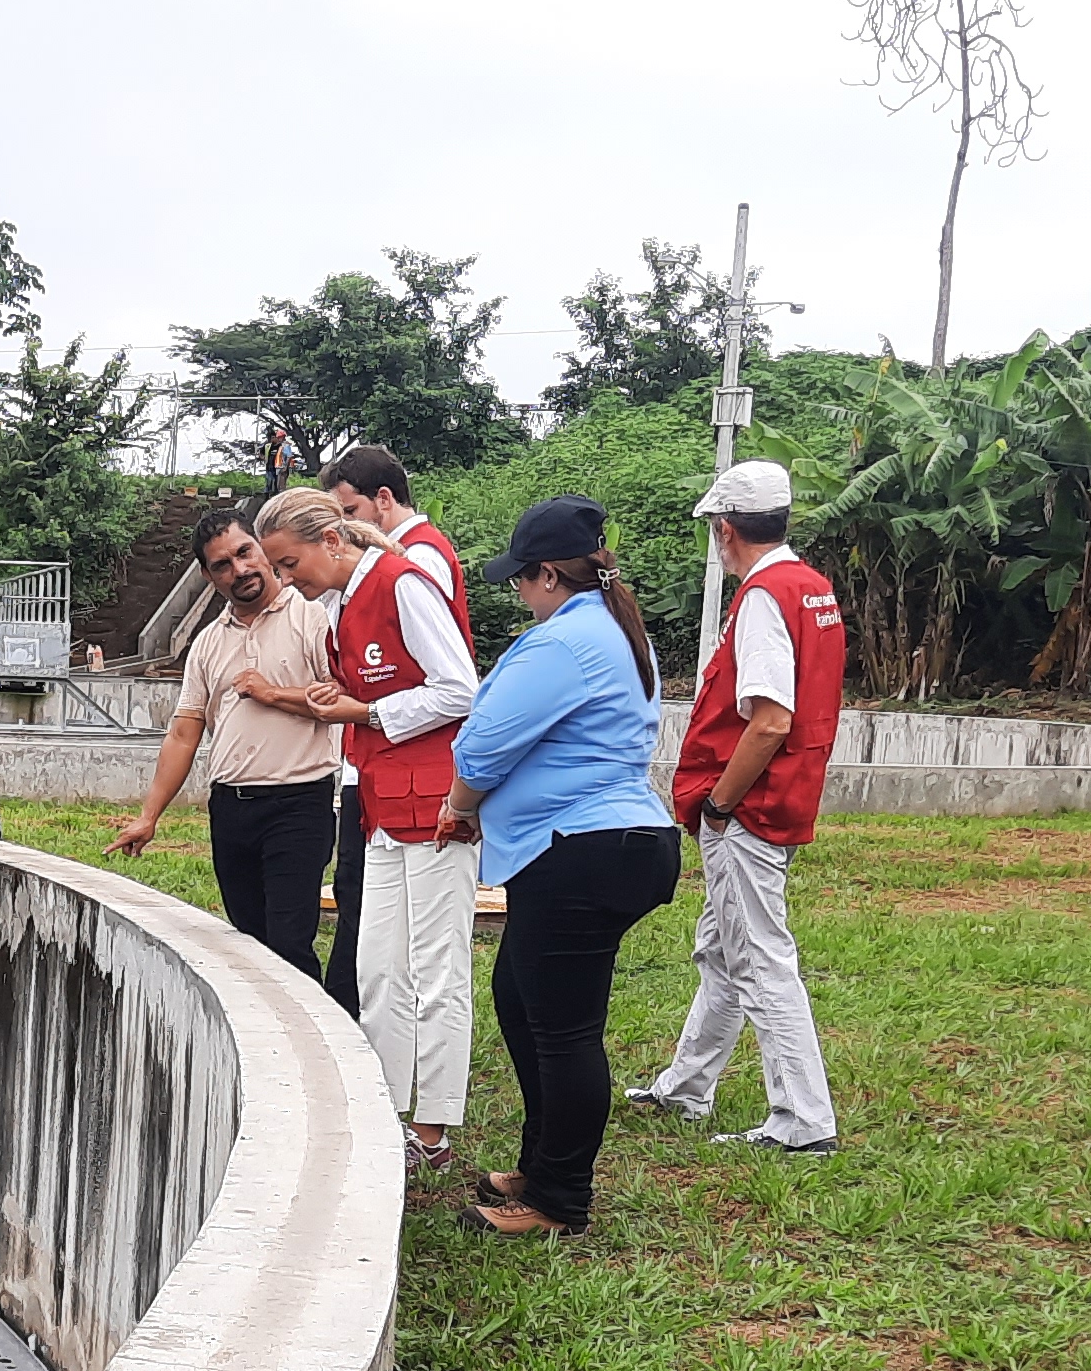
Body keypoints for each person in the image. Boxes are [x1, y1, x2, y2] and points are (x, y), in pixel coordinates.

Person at [437, 496, 680, 1238]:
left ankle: (558, 1199)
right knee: (521, 999)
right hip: (603, 844)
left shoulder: (564, 642)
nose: (517, 591)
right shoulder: (611, 629)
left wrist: (458, 806)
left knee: (564, 1031)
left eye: (520, 578)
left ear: (547, 574)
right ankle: (541, 1166)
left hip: (581, 849)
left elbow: (484, 745)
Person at [251, 485, 476, 1165]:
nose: (287, 580)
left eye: (290, 564)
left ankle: (433, 1129)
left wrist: (366, 712)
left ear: (331, 539)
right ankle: (386, 1114)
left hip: (435, 804)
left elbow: (460, 689)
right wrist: (347, 700)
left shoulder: (403, 584)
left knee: (437, 970)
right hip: (381, 800)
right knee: (377, 968)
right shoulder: (342, 603)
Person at [637, 458, 842, 1153]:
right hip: (784, 796)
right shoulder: (810, 588)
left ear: (726, 529)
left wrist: (721, 803)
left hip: (749, 806)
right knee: (725, 951)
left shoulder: (762, 597)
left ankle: (803, 1121)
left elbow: (770, 718)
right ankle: (686, 1087)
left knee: (758, 959)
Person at [114, 512, 339, 979]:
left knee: (289, 942)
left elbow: (339, 700)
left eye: (244, 553)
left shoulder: (312, 616)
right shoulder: (208, 642)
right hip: (231, 807)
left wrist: (273, 694)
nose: (240, 570)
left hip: (299, 801)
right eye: (222, 565)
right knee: (248, 943)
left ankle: (309, 1026)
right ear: (207, 576)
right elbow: (184, 732)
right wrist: (149, 816)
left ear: (262, 550)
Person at [312, 446, 462, 1020]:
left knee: (420, 953)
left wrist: (368, 711)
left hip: (414, 768)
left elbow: (449, 681)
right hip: (379, 765)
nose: (343, 531)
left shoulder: (411, 564)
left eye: (348, 513)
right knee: (367, 922)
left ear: (382, 500)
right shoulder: (373, 573)